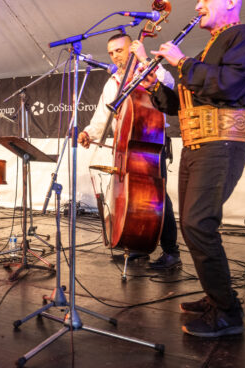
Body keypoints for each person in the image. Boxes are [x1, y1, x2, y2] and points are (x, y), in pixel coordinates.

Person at [146, 0, 245, 337]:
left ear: (231, 2)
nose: (198, 4)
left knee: (199, 224)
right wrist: (156, 80)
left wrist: (181, 62)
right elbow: (178, 104)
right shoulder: (206, 51)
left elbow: (230, 84)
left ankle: (228, 312)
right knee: (191, 224)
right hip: (196, 144)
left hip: (221, 144)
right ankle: (217, 298)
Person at [77, 34, 181, 270]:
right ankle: (138, 245)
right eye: (111, 52)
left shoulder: (152, 69)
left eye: (119, 50)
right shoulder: (112, 81)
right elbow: (102, 117)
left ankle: (171, 252)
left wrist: (145, 61)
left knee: (157, 197)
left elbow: (168, 87)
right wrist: (88, 134)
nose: (114, 56)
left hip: (150, 142)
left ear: (133, 48)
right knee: (131, 197)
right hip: (124, 145)